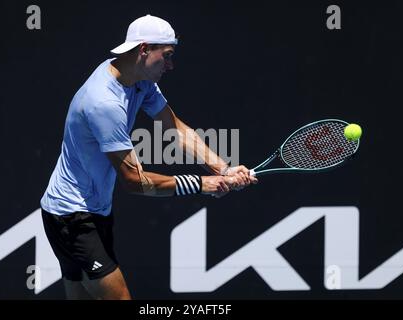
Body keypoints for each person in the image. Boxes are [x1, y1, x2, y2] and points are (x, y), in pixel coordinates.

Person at [40, 14, 258, 300]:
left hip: (90, 211)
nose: (170, 65)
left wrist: (224, 169)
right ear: (143, 50)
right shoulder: (104, 103)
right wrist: (203, 184)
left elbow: (177, 129)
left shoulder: (136, 78)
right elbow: (135, 181)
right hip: (72, 217)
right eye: (166, 56)